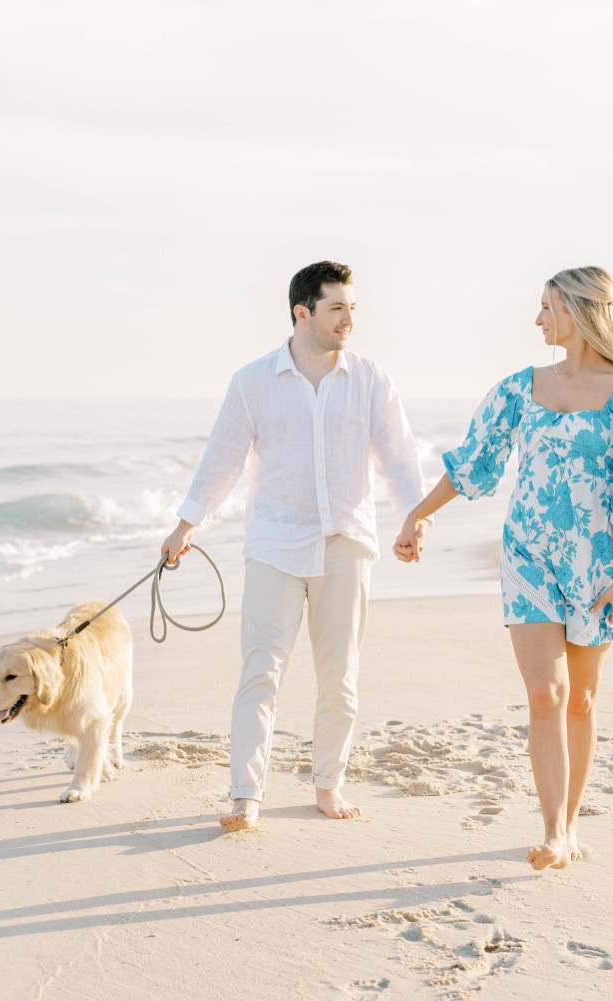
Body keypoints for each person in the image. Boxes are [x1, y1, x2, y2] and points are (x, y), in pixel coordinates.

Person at [394, 266, 613, 870]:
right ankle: (552, 833)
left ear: (579, 311)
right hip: (529, 555)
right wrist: (419, 514)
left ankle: (570, 826)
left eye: (547, 307)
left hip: (598, 565)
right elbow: (474, 462)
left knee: (583, 700)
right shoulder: (520, 389)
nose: (537, 319)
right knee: (546, 693)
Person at [161, 261, 427, 832]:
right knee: (260, 671)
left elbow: (399, 457)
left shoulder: (371, 379)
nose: (349, 320)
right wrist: (187, 524)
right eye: (337, 308)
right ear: (302, 312)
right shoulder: (252, 381)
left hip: (346, 543)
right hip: (275, 545)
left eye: (353, 308)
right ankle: (246, 793)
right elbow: (223, 458)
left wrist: (414, 517)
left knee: (340, 677)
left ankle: (328, 784)